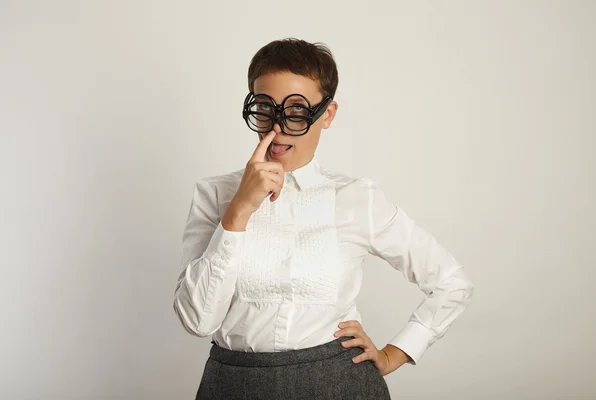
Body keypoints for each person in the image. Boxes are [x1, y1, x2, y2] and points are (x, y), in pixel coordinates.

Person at [173, 38, 474, 400]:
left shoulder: (356, 198)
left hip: (338, 383)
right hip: (233, 385)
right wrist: (238, 209)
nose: (278, 128)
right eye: (265, 109)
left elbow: (451, 282)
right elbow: (197, 321)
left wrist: (399, 352)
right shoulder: (215, 195)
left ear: (327, 114)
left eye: (297, 111)